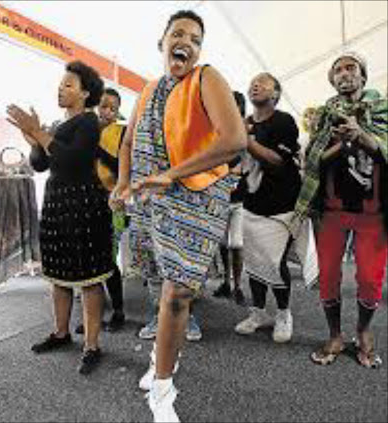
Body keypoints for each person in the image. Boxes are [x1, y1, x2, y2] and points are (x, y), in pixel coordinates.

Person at [109, 10, 246, 422]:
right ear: (162, 43)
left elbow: (234, 140)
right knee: (165, 290)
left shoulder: (207, 78)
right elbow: (129, 141)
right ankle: (160, 362)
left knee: (179, 294)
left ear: (199, 50)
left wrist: (170, 174)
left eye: (194, 37)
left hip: (198, 198)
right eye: (177, 33)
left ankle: (163, 392)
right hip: (155, 200)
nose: (185, 40)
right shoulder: (148, 89)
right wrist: (122, 182)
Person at [6, 60, 114, 375]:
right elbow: (41, 165)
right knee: (59, 276)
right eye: (60, 83)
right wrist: (34, 140)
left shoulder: (89, 122)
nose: (61, 88)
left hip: (84, 206)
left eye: (68, 84)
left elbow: (72, 161)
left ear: (85, 93)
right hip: (56, 204)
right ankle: (61, 332)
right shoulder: (56, 126)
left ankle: (92, 344)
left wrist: (39, 132)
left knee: (90, 279)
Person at [290, 53, 387, 368]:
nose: (345, 73)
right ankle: (334, 334)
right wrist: (342, 143)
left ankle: (363, 331)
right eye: (338, 70)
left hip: (374, 213)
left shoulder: (384, 109)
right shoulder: (322, 116)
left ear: (363, 76)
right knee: (329, 276)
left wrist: (362, 136)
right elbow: (313, 161)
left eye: (351, 68)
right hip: (331, 211)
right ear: (332, 80)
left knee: (371, 280)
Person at [234, 73, 302, 343]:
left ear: (275, 94)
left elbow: (277, 160)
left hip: (281, 206)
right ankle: (259, 312)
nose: (255, 84)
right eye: (252, 82)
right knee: (253, 261)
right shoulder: (246, 123)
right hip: (252, 205)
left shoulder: (284, 121)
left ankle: (284, 313)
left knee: (275, 262)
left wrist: (245, 140)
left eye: (263, 82)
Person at [75, 87, 127, 334]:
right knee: (89, 260)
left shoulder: (123, 133)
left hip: (110, 202)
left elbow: (120, 167)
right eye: (102, 105)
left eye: (112, 108)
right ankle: (92, 314)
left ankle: (118, 311)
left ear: (117, 113)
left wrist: (96, 146)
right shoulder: (82, 130)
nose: (106, 111)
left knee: (107, 259)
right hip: (84, 201)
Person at [212, 91, 248, 306]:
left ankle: (238, 285)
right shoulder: (216, 130)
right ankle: (227, 282)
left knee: (237, 244)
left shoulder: (246, 131)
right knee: (224, 244)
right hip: (220, 197)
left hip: (240, 199)